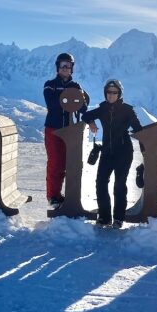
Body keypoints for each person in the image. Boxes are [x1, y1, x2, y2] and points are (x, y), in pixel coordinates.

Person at [82, 80, 142, 229]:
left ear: (119, 94)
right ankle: (104, 217)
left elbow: (139, 129)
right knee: (101, 183)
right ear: (105, 93)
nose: (111, 95)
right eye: (109, 92)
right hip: (107, 152)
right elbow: (85, 115)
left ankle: (119, 219)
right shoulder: (102, 108)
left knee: (119, 185)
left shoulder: (128, 110)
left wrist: (147, 145)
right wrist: (91, 122)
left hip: (124, 152)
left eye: (114, 92)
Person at [43, 52, 87, 208]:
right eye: (63, 65)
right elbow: (53, 104)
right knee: (56, 163)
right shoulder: (50, 84)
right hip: (53, 129)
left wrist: (76, 96)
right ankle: (53, 196)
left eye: (69, 66)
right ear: (58, 67)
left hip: (70, 130)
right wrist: (70, 96)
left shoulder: (76, 86)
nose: (66, 68)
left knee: (70, 163)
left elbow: (83, 106)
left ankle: (68, 195)